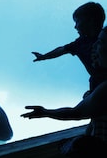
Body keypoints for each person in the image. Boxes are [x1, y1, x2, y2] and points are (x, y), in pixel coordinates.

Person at [21, 27, 107, 157]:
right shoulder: (81, 43)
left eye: (100, 42)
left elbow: (76, 113)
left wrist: (45, 112)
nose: (95, 48)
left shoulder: (104, 89)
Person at [32, 2, 106, 96]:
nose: (75, 26)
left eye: (77, 21)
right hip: (96, 86)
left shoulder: (104, 38)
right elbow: (62, 50)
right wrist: (44, 56)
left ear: (90, 20)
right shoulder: (80, 43)